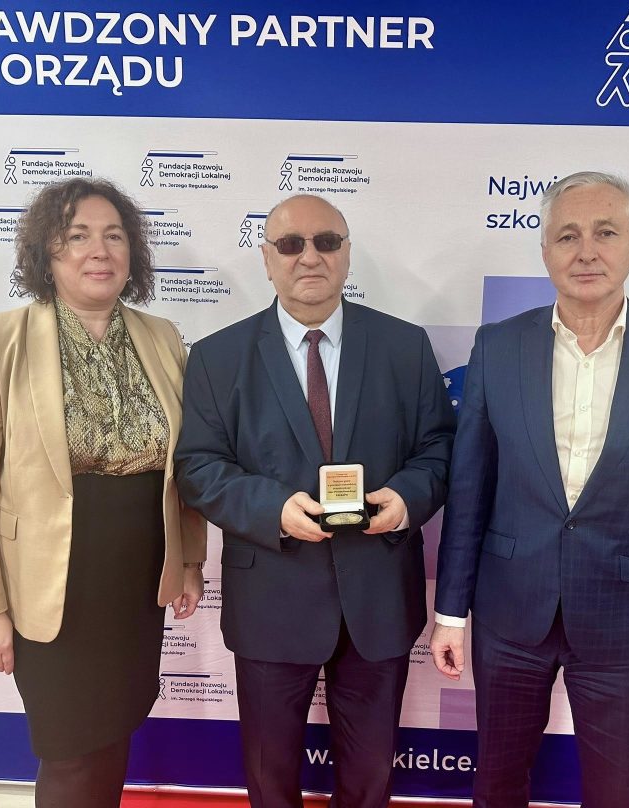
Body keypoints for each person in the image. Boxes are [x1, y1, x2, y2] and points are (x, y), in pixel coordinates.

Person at [430, 171, 629, 808]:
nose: (586, 251)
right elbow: (470, 488)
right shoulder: (498, 347)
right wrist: (451, 613)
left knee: (614, 793)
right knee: (496, 784)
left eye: (606, 233)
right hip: (510, 617)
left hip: (627, 625)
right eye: (568, 235)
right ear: (545, 251)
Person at [174, 193, 455, 808]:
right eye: (290, 244)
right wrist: (272, 509)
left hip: (377, 596)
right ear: (266, 258)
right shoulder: (218, 357)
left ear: (347, 253)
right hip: (270, 600)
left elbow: (439, 448)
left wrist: (406, 499)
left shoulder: (404, 346)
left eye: (327, 242)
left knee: (370, 776)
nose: (310, 257)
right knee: (270, 776)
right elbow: (198, 467)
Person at [0, 178, 207, 808]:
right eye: (77, 235)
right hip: (49, 589)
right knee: (68, 750)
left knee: (113, 733)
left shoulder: (162, 337)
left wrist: (190, 561)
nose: (99, 250)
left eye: (114, 235)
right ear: (47, 252)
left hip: (136, 585)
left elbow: (186, 465)